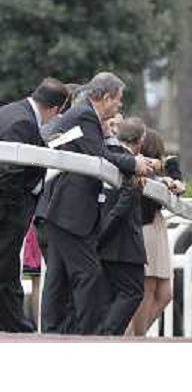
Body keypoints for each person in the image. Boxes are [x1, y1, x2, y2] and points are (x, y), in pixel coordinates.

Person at [41, 72, 153, 334]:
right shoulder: (83, 115)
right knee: (88, 275)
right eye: (118, 100)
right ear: (104, 97)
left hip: (66, 211)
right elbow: (99, 154)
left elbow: (101, 152)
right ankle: (87, 337)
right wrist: (135, 164)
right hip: (68, 211)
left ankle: (60, 334)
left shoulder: (85, 116)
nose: (119, 107)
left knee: (61, 279)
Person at [0, 77, 69, 332]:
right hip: (8, 213)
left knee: (8, 273)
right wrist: (20, 207)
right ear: (54, 109)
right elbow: (9, 174)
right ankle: (20, 329)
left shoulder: (12, 111)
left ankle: (18, 328)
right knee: (6, 271)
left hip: (12, 212)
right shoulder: (23, 122)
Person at [130, 128, 185, 336]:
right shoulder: (141, 172)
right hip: (146, 229)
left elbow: (179, 186)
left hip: (156, 229)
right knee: (148, 288)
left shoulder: (158, 173)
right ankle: (134, 336)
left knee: (165, 293)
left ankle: (132, 335)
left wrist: (170, 169)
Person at [97, 116, 147, 335]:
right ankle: (106, 336)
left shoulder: (113, 157)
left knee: (111, 294)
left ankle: (105, 334)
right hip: (122, 242)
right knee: (133, 292)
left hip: (109, 239)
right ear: (140, 141)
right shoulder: (128, 162)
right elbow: (123, 201)